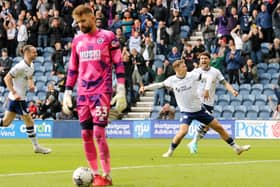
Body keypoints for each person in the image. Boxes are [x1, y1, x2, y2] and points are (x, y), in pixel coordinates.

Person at [62, 5, 127, 186]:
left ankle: (107, 175)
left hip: (101, 91)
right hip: (83, 93)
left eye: (83, 20)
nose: (81, 24)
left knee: (98, 133)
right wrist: (67, 92)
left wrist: (121, 89)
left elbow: (119, 63)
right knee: (85, 134)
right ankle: (95, 174)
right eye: (78, 21)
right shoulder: (77, 41)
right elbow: (73, 68)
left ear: (92, 17)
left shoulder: (108, 37)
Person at [140, 59, 250, 158]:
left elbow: (209, 77)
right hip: (186, 112)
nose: (186, 67)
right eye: (183, 66)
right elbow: (159, 85)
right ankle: (170, 151)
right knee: (183, 132)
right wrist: (145, 88)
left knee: (219, 127)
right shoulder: (172, 80)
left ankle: (237, 148)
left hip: (199, 110)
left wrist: (207, 89)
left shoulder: (192, 76)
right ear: (177, 69)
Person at [0, 45, 51, 154]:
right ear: (27, 53)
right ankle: (36, 146)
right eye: (34, 52)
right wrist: (14, 92)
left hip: (18, 98)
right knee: (29, 120)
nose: (36, 54)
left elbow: (30, 77)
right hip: (17, 99)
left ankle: (36, 147)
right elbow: (6, 78)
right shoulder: (20, 66)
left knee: (5, 123)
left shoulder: (31, 65)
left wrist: (31, 85)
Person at [188, 52, 239, 154]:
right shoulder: (195, 72)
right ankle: (235, 146)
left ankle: (193, 142)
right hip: (198, 101)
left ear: (209, 60)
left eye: (205, 58)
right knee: (211, 124)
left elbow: (225, 83)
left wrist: (232, 90)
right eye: (201, 59)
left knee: (207, 126)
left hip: (209, 103)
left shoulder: (215, 72)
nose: (203, 60)